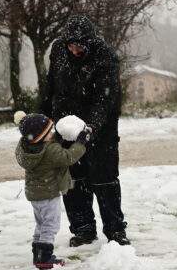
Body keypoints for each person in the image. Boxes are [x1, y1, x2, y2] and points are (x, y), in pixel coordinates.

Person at [39, 15, 131, 246]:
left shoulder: (105, 57)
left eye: (78, 47)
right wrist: (43, 120)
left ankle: (115, 230)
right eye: (70, 45)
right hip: (65, 123)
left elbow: (104, 99)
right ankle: (83, 228)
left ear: (89, 42)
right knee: (72, 178)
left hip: (101, 126)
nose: (73, 50)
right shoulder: (59, 49)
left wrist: (91, 126)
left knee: (104, 178)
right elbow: (51, 87)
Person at [14, 111, 91, 269]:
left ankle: (38, 253)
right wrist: (81, 143)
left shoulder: (27, 147)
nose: (53, 133)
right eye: (50, 132)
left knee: (41, 224)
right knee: (51, 225)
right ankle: (44, 257)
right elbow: (68, 157)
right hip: (48, 193)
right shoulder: (50, 151)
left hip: (35, 194)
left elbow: (47, 142)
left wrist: (53, 137)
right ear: (41, 137)